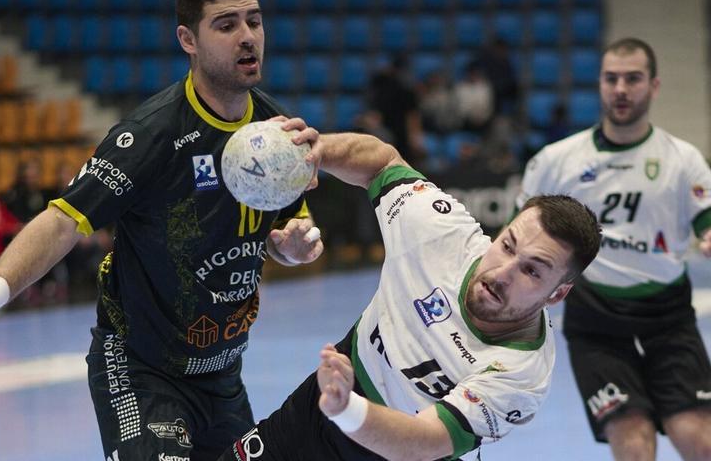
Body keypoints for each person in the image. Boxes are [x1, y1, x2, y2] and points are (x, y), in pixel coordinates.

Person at [0, 0, 323, 460]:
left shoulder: (275, 130)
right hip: (140, 366)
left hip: (221, 374)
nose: (247, 38)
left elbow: (286, 233)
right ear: (188, 40)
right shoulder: (151, 135)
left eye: (254, 21)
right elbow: (64, 220)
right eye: (226, 25)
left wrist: (294, 247)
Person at [220, 131, 603, 461]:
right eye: (507, 245)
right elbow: (382, 164)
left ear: (558, 293)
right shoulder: (441, 233)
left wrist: (348, 410)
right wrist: (314, 152)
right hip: (318, 410)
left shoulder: (522, 373)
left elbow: (425, 442)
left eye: (532, 271)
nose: (502, 272)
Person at [516, 37, 711, 460]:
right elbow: (520, 234)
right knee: (634, 442)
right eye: (611, 79)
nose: (621, 88)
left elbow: (707, 218)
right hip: (596, 318)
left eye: (633, 79)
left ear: (654, 86)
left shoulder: (683, 160)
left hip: (668, 314)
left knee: (697, 438)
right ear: (600, 85)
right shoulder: (556, 160)